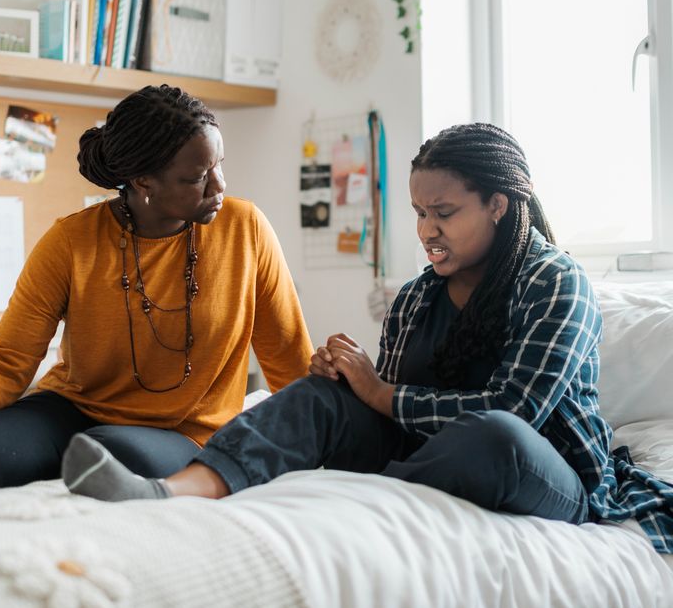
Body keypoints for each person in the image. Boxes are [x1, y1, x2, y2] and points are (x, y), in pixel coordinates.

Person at [61, 122, 673, 555]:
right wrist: (347, 381)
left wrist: (380, 396)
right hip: (427, 456)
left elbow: (518, 408)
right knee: (316, 397)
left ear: (498, 205)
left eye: (444, 212)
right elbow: (393, 409)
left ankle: (356, 499)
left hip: (550, 470)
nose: (427, 230)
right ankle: (170, 491)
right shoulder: (417, 295)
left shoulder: (556, 281)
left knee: (498, 436)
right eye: (418, 212)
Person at [0, 84, 313, 491]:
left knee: (108, 451)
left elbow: (291, 364)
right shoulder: (71, 241)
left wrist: (324, 443)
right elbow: (6, 360)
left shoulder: (246, 229)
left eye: (219, 166)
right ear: (144, 181)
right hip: (71, 410)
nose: (219, 186)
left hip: (184, 432)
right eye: (198, 177)